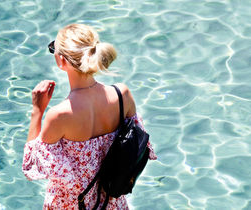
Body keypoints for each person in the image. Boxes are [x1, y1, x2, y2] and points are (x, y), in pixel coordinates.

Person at [22, 24, 157, 209]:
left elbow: (33, 167)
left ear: (61, 60)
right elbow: (140, 146)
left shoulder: (59, 115)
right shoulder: (121, 95)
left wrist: (37, 111)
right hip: (112, 203)